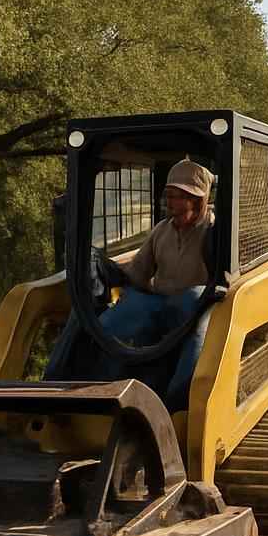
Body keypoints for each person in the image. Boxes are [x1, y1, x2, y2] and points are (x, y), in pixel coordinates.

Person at [47, 158, 215, 411]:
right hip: (160, 302)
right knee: (111, 323)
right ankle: (97, 389)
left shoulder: (214, 231)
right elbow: (138, 274)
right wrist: (107, 274)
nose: (172, 204)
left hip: (196, 312)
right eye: (169, 196)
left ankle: (178, 404)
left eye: (180, 197)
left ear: (200, 200)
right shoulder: (161, 231)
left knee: (192, 298)